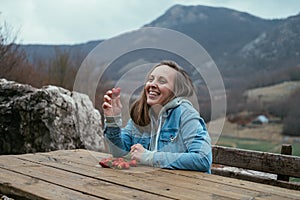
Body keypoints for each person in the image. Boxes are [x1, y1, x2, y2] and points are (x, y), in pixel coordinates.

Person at [102, 60, 212, 172]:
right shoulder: (141, 114)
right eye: (150, 79)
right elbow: (119, 153)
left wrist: (149, 157)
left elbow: (203, 159)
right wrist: (112, 121)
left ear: (176, 91)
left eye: (162, 81)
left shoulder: (185, 114)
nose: (152, 84)